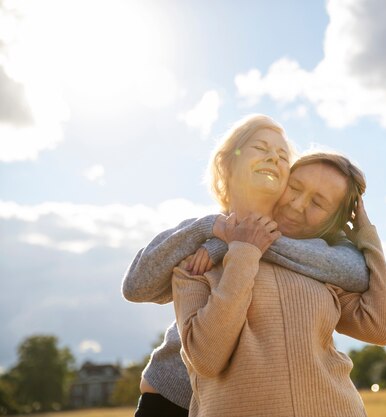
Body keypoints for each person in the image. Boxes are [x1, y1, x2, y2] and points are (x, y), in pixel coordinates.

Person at [122, 114, 369, 416]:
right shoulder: (199, 232)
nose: (272, 158)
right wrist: (213, 229)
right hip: (169, 399)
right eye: (260, 148)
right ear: (228, 162)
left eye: (282, 156)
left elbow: (356, 272)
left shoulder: (305, 239)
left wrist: (245, 242)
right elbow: (136, 286)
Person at [173, 149, 386, 416]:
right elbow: (207, 359)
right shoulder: (199, 262)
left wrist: (366, 236)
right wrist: (245, 250)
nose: (297, 204)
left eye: (318, 203)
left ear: (332, 221)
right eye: (294, 187)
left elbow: (382, 327)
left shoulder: (326, 270)